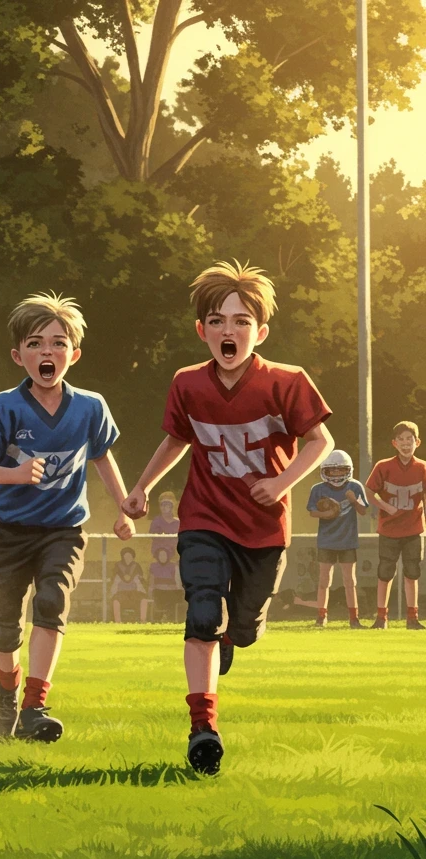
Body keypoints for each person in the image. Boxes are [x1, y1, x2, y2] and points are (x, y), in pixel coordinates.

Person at [123, 260, 332, 775]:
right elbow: (176, 439)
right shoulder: (188, 383)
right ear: (202, 331)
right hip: (205, 517)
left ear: (260, 332)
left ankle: (233, 638)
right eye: (217, 321)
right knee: (201, 613)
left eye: (241, 321)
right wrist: (141, 486)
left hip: (263, 528)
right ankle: (203, 728)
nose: (228, 330)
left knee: (244, 626)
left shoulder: (287, 381)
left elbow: (321, 441)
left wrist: (281, 484)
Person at [0, 292, 135, 743]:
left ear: (74, 354)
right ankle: (7, 685)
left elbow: (102, 457)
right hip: (9, 532)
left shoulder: (91, 406)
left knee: (52, 602)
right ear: (19, 356)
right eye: (35, 344)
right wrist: (14, 474)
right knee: (4, 627)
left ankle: (35, 705)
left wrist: (124, 506)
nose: (46, 352)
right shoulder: (3, 407)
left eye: (58, 343)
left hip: (64, 529)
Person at [365, 421, 426, 629]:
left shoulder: (423, 467)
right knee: (385, 573)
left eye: (409, 439)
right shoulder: (383, 466)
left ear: (417, 442)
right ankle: (381, 617)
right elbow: (368, 491)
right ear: (394, 443)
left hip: (413, 529)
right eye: (401, 439)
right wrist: (386, 507)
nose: (405, 443)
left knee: (412, 572)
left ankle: (412, 617)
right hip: (389, 530)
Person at [306, 449, 368, 628]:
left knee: (350, 581)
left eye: (340, 470)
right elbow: (312, 512)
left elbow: (363, 511)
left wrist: (353, 500)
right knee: (324, 580)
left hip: (347, 540)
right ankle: (321, 617)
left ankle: (354, 618)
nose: (336, 474)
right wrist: (325, 514)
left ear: (348, 470)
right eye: (332, 470)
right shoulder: (318, 489)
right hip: (326, 540)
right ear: (325, 471)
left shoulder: (355, 487)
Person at [110, 547, 146, 623]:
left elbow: (139, 582)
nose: (128, 558)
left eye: (130, 556)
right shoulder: (117, 566)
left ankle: (143, 621)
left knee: (143, 600)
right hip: (121, 593)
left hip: (134, 593)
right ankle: (118, 622)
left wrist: (143, 592)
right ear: (122, 557)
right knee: (115, 601)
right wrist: (112, 593)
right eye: (126, 556)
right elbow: (115, 582)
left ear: (133, 557)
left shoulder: (136, 566)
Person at [149, 490, 180, 563]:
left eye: (167, 505)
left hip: (176, 557)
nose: (164, 507)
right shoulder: (156, 521)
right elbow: (153, 536)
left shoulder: (178, 522)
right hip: (159, 557)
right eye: (162, 505)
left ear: (172, 506)